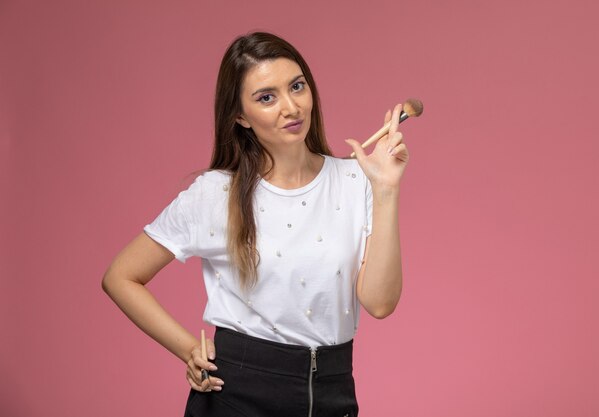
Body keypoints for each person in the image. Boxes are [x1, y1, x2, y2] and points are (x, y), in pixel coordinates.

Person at [102, 31, 408, 417]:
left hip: (333, 392)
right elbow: (121, 276)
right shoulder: (216, 193)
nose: (291, 106)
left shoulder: (354, 180)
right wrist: (188, 349)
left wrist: (385, 189)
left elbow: (380, 303)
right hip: (237, 394)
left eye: (297, 87)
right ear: (240, 116)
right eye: (267, 97)